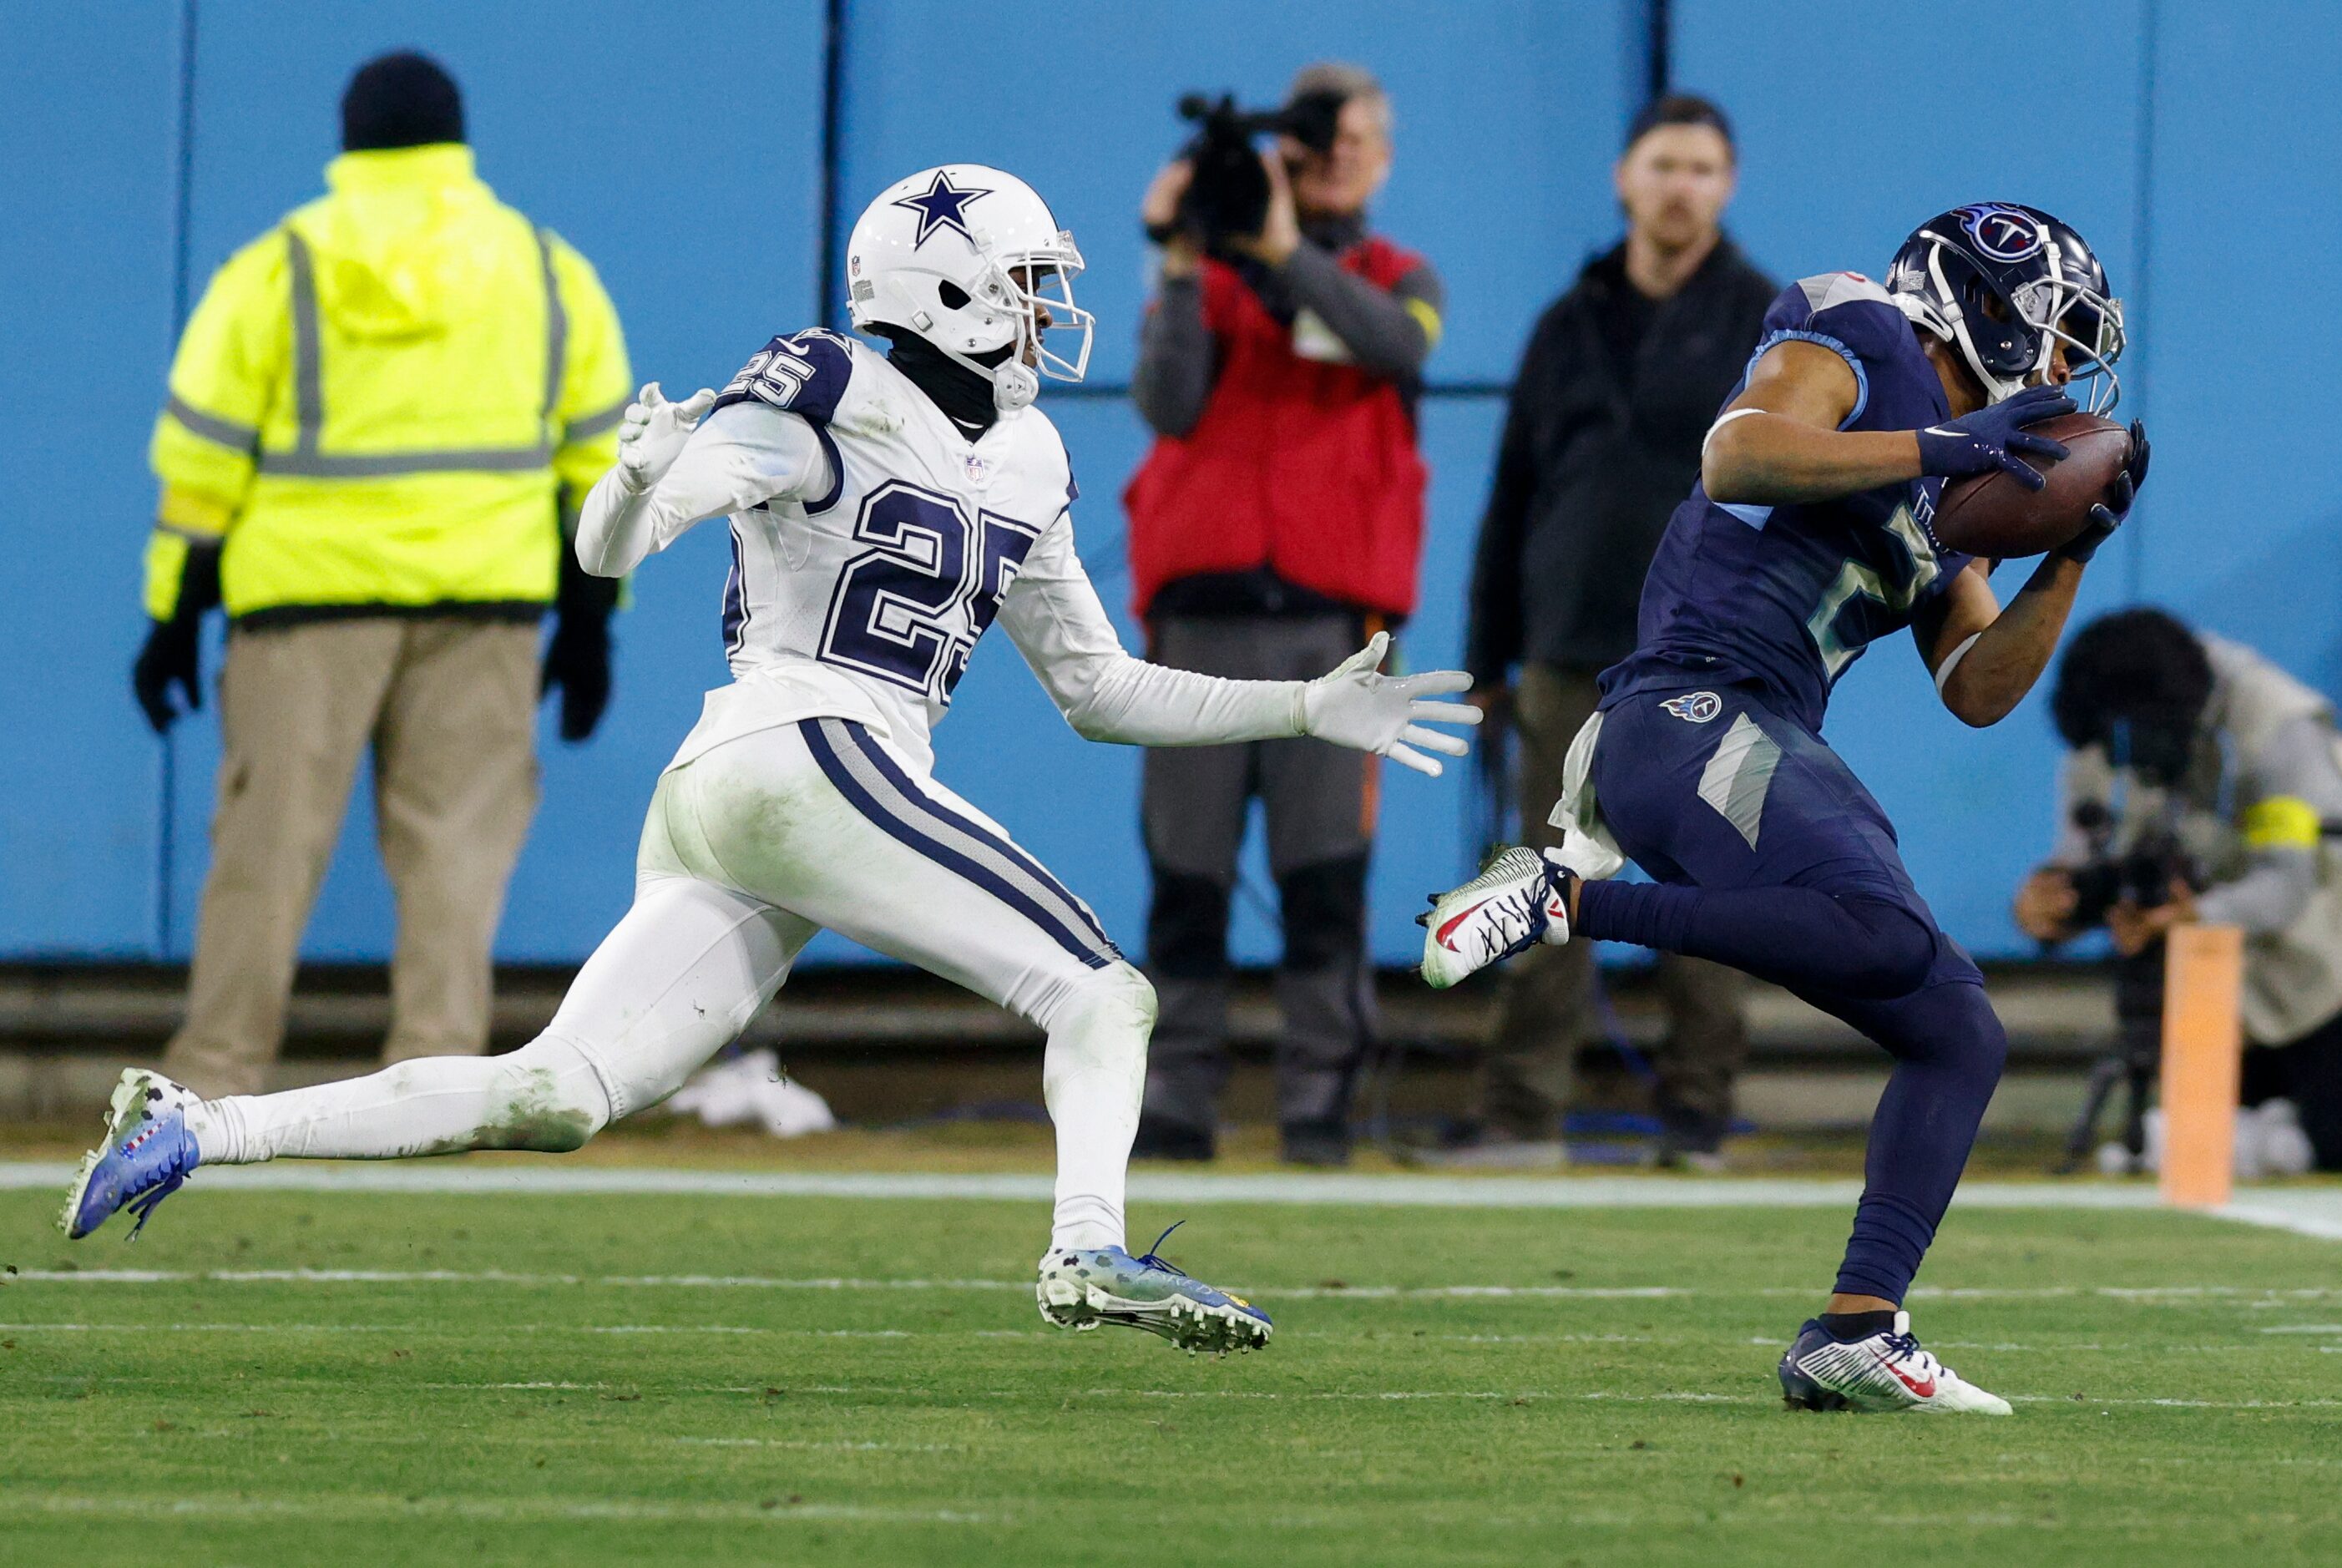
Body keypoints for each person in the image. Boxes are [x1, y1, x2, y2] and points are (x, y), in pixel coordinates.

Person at [63, 165, 1481, 1357]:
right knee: (1104, 991)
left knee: (557, 1094)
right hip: (811, 743)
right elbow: (614, 545)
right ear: (946, 285)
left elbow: (1099, 688)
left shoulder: (1032, 454)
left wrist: (1302, 709)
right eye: (1025, 280)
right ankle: (1086, 1252)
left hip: (759, 793)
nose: (1049, 308)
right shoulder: (826, 380)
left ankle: (198, 1124)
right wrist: (633, 477)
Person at [1420, 202, 2147, 1413]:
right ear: (1980, 298)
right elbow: (1737, 454)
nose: (2066, 366)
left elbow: (1976, 687)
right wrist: (1940, 448)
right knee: (1883, 935)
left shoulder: (1962, 469)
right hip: (1681, 709)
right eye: (2055, 332)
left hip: (1758, 731)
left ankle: (1856, 1325)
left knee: (1954, 1026)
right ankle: (1559, 898)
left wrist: (2071, 551)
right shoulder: (1858, 328)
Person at [132, 53, 633, 1097]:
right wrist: (594, 620)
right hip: (487, 604)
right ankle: (436, 1084)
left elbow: (201, 458)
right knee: (457, 858)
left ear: (349, 135)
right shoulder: (544, 268)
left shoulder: (281, 267)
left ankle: (216, 1084)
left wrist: (173, 610)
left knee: (266, 851)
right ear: (458, 139)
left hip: (302, 609)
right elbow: (602, 462)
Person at [1124, 63, 1444, 1167]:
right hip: (1199, 625)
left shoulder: (1397, 274)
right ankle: (1173, 1099)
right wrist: (1177, 256)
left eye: (1355, 141)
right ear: (1279, 157)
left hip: (1333, 630)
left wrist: (1274, 250)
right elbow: (1165, 403)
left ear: (1382, 159)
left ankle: (1316, 1108)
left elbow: (1394, 347)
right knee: (1185, 879)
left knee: (1324, 879)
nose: (1334, 159)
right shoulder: (1203, 277)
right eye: (1313, 146)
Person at [1458, 94, 1778, 1167]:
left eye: (1700, 167)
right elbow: (1510, 497)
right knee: (1542, 885)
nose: (1679, 185)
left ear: (1725, 186)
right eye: (1662, 165)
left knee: (1714, 895)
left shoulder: (1772, 326)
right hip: (1564, 656)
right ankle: (1519, 1119)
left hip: (1715, 661)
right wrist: (1486, 653)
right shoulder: (1568, 319)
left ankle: (1697, 1121)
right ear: (1624, 178)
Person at [2016, 609, 2342, 1172]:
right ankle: (2267, 1131)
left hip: (2325, 970)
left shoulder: (2274, 726)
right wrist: (2050, 907)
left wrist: (2194, 915)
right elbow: (2083, 863)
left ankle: (2283, 1131)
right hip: (2216, 988)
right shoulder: (2105, 728)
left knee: (2336, 1142)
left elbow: (2288, 881)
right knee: (2201, 1155)